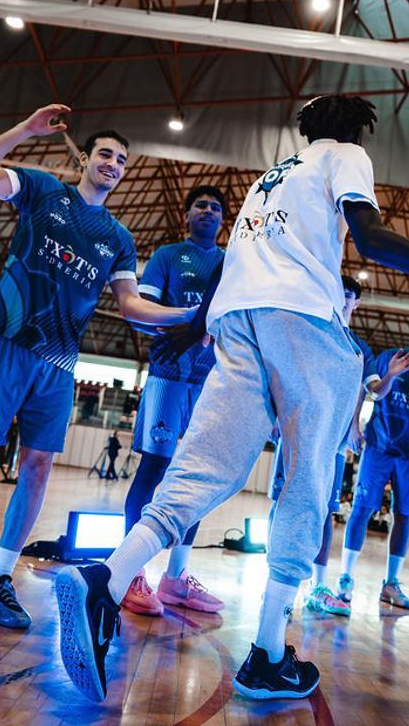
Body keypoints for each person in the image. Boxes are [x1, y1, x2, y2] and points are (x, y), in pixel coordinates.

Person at [52, 94, 409, 703]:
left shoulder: (268, 179)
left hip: (235, 321)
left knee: (201, 471)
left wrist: (196, 323)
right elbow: (371, 238)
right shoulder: (345, 156)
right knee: (308, 480)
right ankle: (267, 652)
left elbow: (235, 263)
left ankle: (109, 574)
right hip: (303, 324)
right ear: (352, 131)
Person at [0, 106, 194, 630]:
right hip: (6, 340)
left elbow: (130, 305)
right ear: (85, 158)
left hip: (58, 362)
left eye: (122, 160)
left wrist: (193, 314)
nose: (114, 163)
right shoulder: (42, 189)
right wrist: (26, 130)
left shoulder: (118, 238)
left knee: (38, 468)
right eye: (106, 153)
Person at [118, 186, 227, 617]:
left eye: (216, 208)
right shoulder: (167, 255)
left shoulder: (231, 263)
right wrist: (191, 320)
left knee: (196, 478)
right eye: (200, 205)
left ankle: (176, 579)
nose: (208, 211)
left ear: (223, 220)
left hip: (213, 382)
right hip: (168, 377)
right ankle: (131, 575)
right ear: (186, 215)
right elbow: (143, 312)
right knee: (155, 468)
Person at [266, 274, 375, 619]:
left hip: (335, 440)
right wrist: (274, 412)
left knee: (325, 510)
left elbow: (362, 390)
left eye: (349, 296)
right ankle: (273, 576)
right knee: (282, 501)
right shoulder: (308, 327)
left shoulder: (359, 347)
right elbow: (284, 372)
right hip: (297, 430)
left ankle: (319, 586)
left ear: (356, 303)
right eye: (338, 293)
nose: (343, 300)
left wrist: (355, 424)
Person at [338, 314, 409, 613]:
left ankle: (391, 583)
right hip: (379, 446)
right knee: (362, 508)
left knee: (405, 516)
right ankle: (346, 578)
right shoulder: (391, 357)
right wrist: (354, 426)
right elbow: (371, 391)